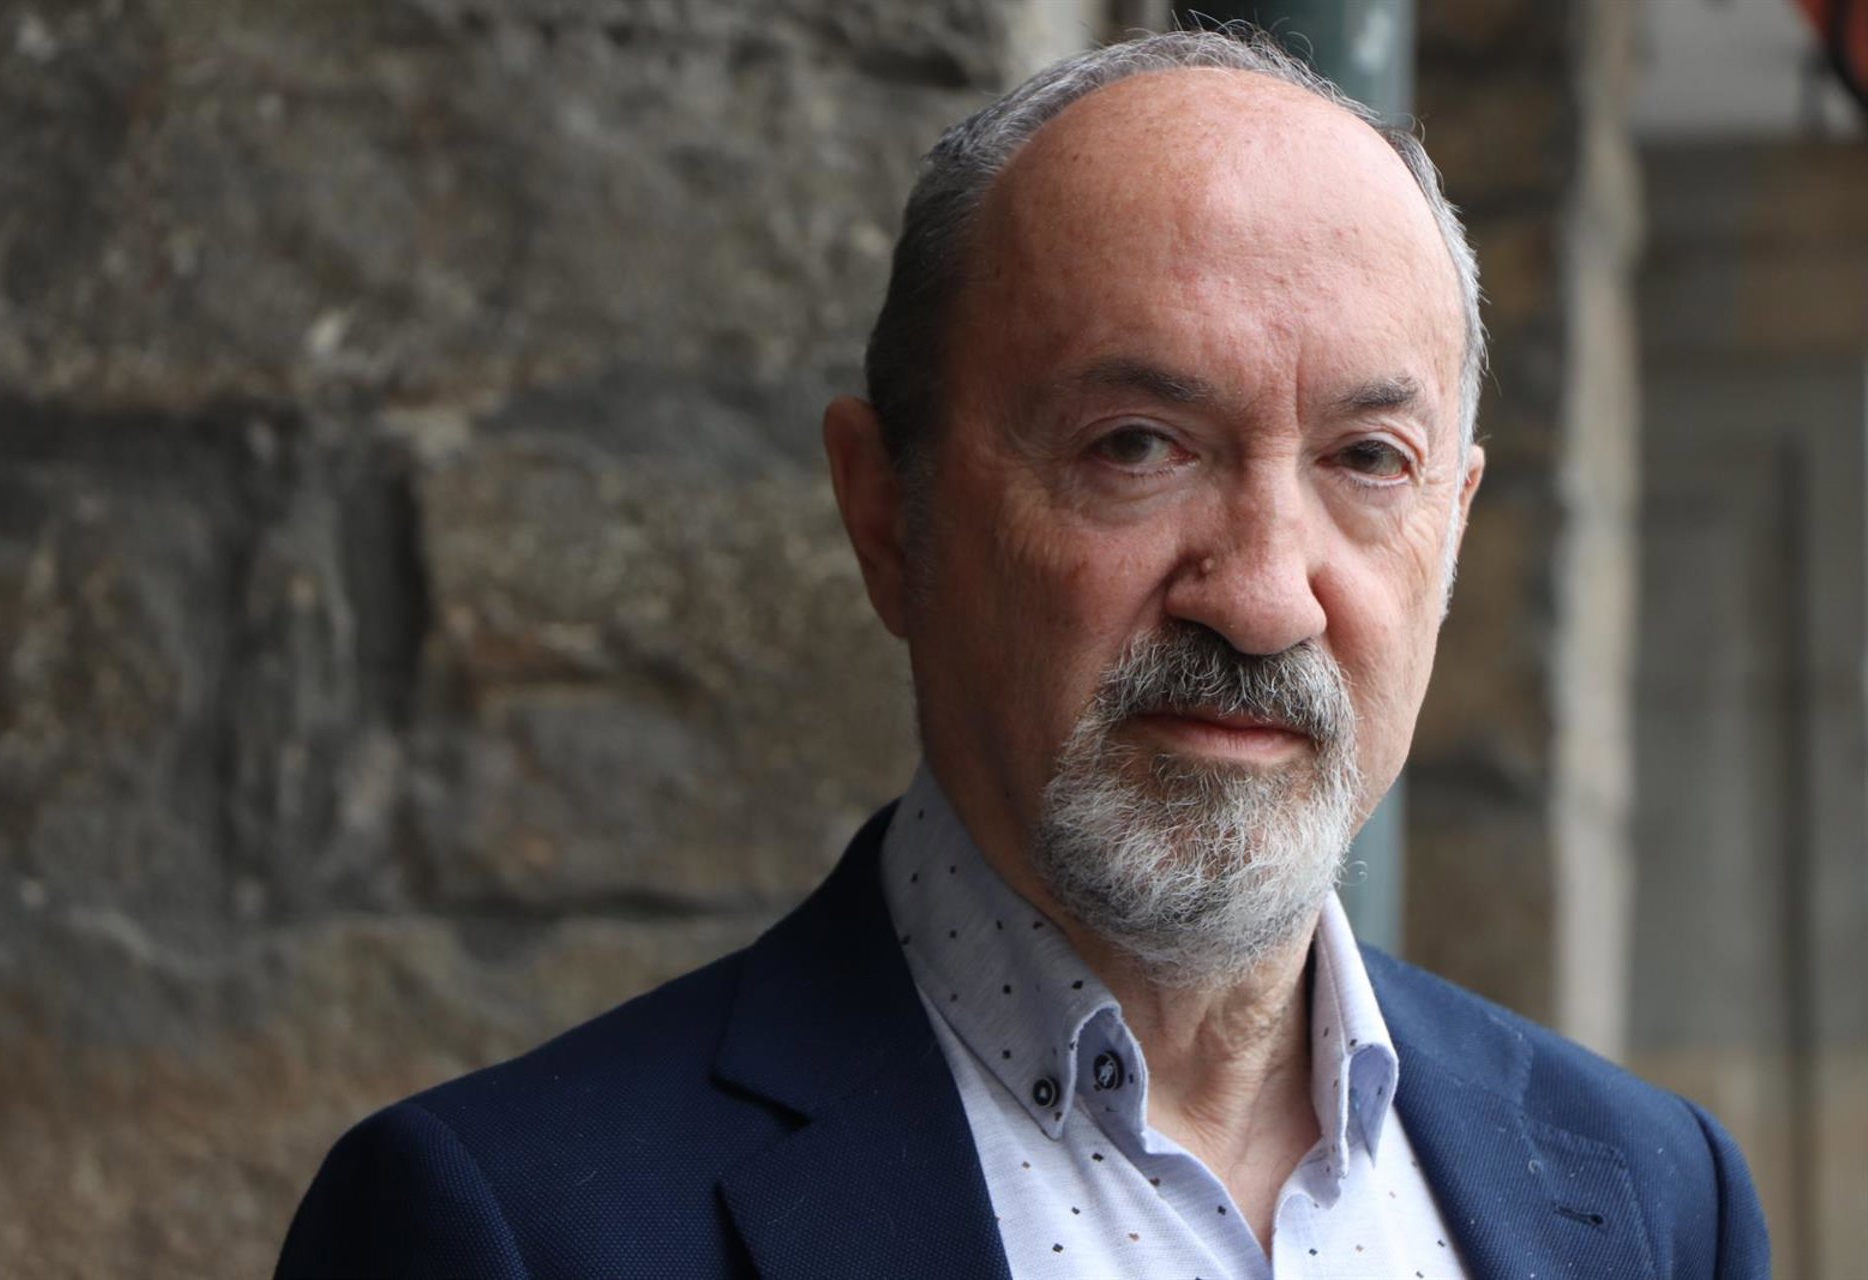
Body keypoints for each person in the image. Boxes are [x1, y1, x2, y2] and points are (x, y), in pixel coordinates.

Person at [277, 28, 1768, 1279]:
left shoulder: (1657, 1200)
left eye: (1368, 459)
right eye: (1136, 446)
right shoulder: (505, 1230)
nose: (1263, 600)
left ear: (1455, 527)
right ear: (889, 515)